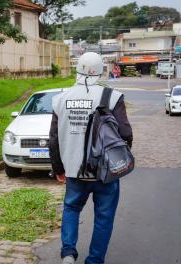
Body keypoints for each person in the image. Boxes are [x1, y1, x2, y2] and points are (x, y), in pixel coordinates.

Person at [49, 52, 133, 264]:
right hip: (105, 173)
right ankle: (94, 260)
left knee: (71, 209)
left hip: (74, 172)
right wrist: (117, 164)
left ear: (77, 69)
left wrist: (58, 168)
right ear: (101, 71)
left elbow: (53, 138)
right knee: (103, 218)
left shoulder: (60, 99)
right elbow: (125, 135)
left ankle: (68, 253)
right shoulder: (112, 97)